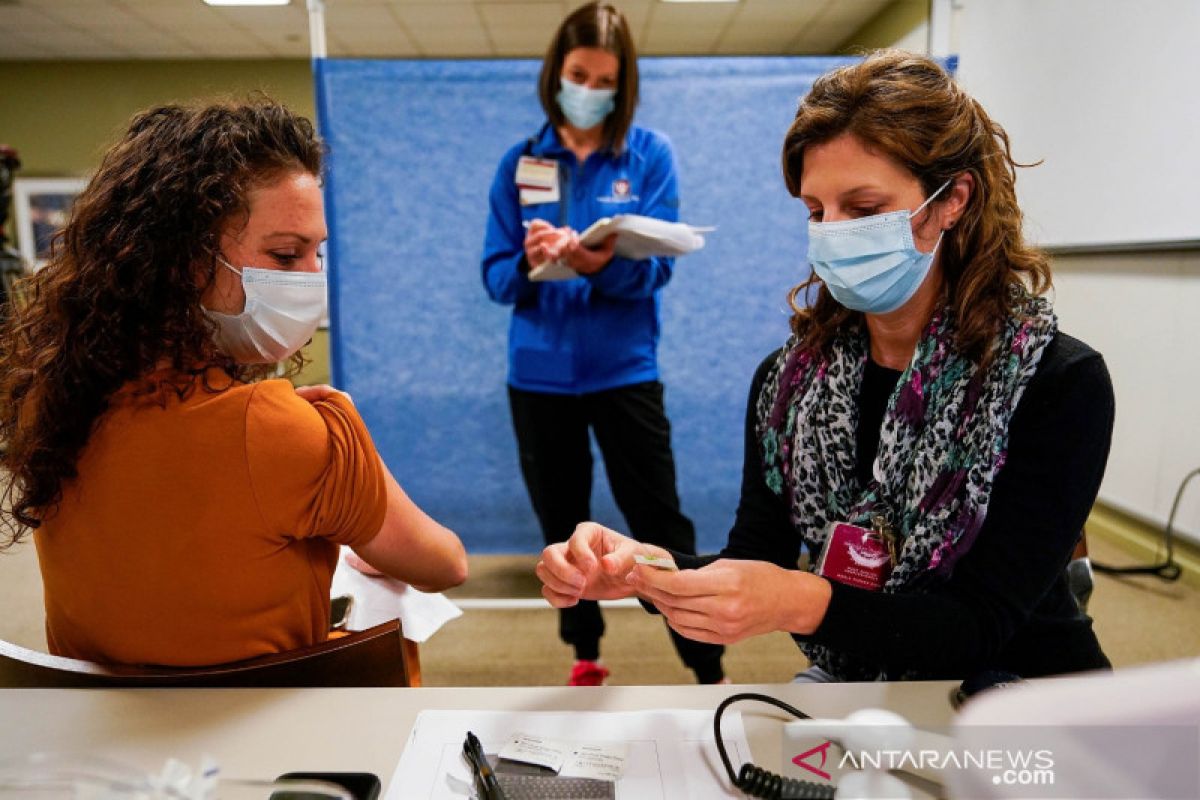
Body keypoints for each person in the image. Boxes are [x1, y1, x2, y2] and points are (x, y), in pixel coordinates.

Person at [535, 50, 1114, 682]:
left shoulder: (1055, 382)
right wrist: (640, 568)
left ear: (954, 201)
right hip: (860, 684)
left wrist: (801, 599)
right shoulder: (789, 383)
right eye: (816, 211)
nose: (832, 234)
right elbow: (755, 558)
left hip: (1021, 692)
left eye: (863, 210)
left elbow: (976, 626)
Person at [0, 99, 468, 667]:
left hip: (99, 735)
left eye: (318, 254)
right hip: (262, 736)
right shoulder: (287, 431)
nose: (311, 280)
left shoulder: (51, 398)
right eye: (286, 255)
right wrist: (347, 431)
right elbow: (445, 565)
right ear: (184, 259)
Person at [481, 2, 724, 686]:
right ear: (555, 73)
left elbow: (661, 266)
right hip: (539, 379)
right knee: (561, 527)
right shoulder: (521, 162)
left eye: (602, 78)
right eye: (576, 73)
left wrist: (600, 263)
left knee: (661, 523)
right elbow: (494, 277)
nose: (586, 89)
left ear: (625, 84)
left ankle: (708, 668)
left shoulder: (649, 155)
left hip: (625, 372)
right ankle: (584, 656)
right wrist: (534, 262)